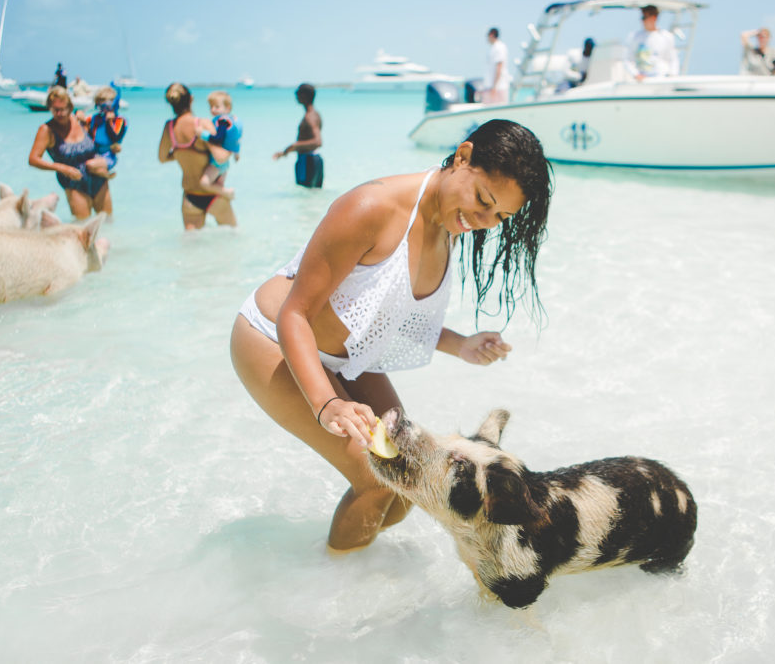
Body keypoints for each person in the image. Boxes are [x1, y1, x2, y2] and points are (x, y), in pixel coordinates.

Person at [230, 119, 553, 552]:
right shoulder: (372, 207)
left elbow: (385, 308)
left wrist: (460, 344)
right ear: (462, 157)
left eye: (499, 216)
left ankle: (336, 560)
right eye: (483, 200)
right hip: (272, 339)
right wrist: (328, 403)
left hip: (347, 359)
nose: (483, 221)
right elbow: (296, 313)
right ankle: (333, 589)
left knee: (408, 479)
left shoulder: (449, 224)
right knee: (376, 480)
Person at [157, 82, 237, 230]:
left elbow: (162, 158)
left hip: (190, 198)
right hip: (213, 195)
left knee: (191, 247)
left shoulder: (169, 128)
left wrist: (181, 152)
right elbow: (221, 157)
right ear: (191, 99)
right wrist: (233, 148)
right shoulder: (201, 124)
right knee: (231, 240)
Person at [27, 86, 113, 219]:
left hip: (98, 178)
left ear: (70, 107)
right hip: (73, 183)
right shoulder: (46, 130)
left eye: (63, 109)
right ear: (49, 108)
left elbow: (101, 139)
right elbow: (33, 159)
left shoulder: (80, 121)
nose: (59, 114)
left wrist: (113, 150)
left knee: (108, 222)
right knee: (82, 227)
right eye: (55, 110)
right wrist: (61, 168)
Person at [273, 83, 323, 189]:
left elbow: (317, 141)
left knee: (306, 199)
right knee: (311, 198)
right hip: (315, 160)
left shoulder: (310, 117)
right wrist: (284, 152)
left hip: (307, 161)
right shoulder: (315, 114)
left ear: (304, 95)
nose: (296, 95)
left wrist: (294, 146)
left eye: (297, 93)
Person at [197, 90, 243, 200]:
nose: (213, 110)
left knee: (204, 184)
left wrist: (202, 134)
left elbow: (218, 139)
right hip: (225, 165)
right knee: (218, 188)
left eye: (217, 107)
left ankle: (229, 193)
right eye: (211, 107)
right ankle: (224, 198)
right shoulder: (232, 120)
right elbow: (236, 139)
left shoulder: (223, 121)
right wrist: (237, 154)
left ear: (227, 108)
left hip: (217, 164)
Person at [81, 82, 127, 178]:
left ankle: (106, 176)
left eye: (107, 107)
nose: (104, 111)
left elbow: (115, 138)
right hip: (94, 153)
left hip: (108, 156)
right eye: (101, 107)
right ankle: (101, 173)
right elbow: (87, 135)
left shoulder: (119, 121)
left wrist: (109, 122)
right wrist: (82, 121)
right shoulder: (95, 118)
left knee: (89, 165)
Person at [626, 4, 679, 80]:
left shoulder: (667, 36)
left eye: (644, 17)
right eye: (642, 18)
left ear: (654, 18)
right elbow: (628, 59)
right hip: (643, 81)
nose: (642, 21)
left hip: (663, 79)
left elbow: (673, 59)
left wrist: (673, 75)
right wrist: (636, 74)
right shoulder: (635, 37)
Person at [483, 27, 511, 104]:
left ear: (491, 35)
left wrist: (494, 87)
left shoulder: (499, 47)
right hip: (491, 86)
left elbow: (499, 67)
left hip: (498, 87)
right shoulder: (493, 48)